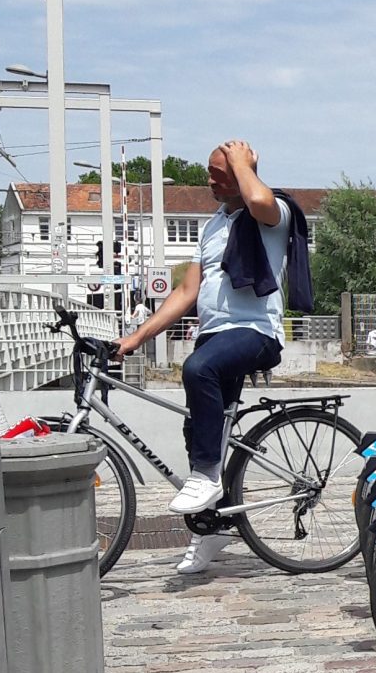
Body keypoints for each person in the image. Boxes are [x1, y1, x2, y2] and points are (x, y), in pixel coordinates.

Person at [117, 139, 289, 575]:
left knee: (199, 369)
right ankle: (210, 530)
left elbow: (256, 196)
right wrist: (136, 338)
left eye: (219, 172)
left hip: (254, 331)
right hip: (215, 334)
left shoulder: (271, 214)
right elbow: (186, 291)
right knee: (199, 428)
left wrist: (243, 161)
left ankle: (208, 476)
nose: (209, 180)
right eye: (209, 171)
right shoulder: (212, 226)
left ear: (242, 170)